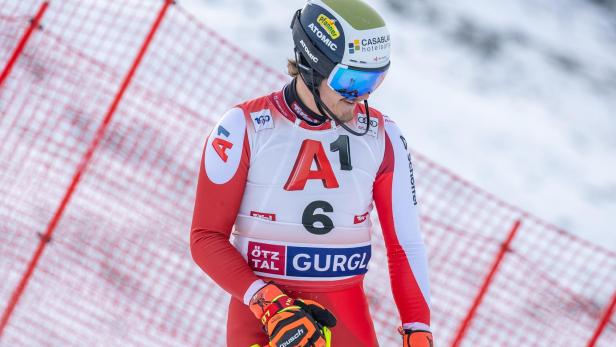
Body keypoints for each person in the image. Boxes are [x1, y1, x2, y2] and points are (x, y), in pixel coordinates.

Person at [190, 0, 432, 346]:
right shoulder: (243, 127)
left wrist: (418, 327)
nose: (360, 96)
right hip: (267, 320)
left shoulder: (382, 136)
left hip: (346, 313)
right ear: (312, 65)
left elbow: (405, 244)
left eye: (374, 81)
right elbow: (205, 237)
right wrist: (268, 303)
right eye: (351, 80)